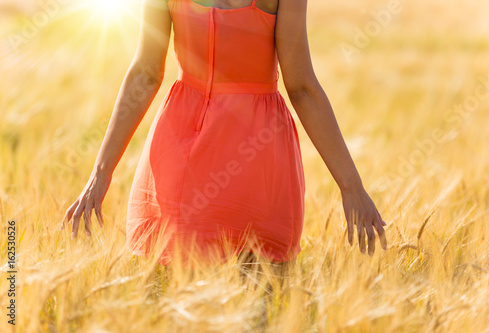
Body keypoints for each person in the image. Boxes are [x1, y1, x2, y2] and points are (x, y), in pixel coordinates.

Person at [60, 0, 387, 278]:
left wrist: (101, 175)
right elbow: (302, 89)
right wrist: (351, 187)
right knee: (263, 305)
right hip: (260, 158)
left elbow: (145, 74)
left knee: (178, 305)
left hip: (181, 156)